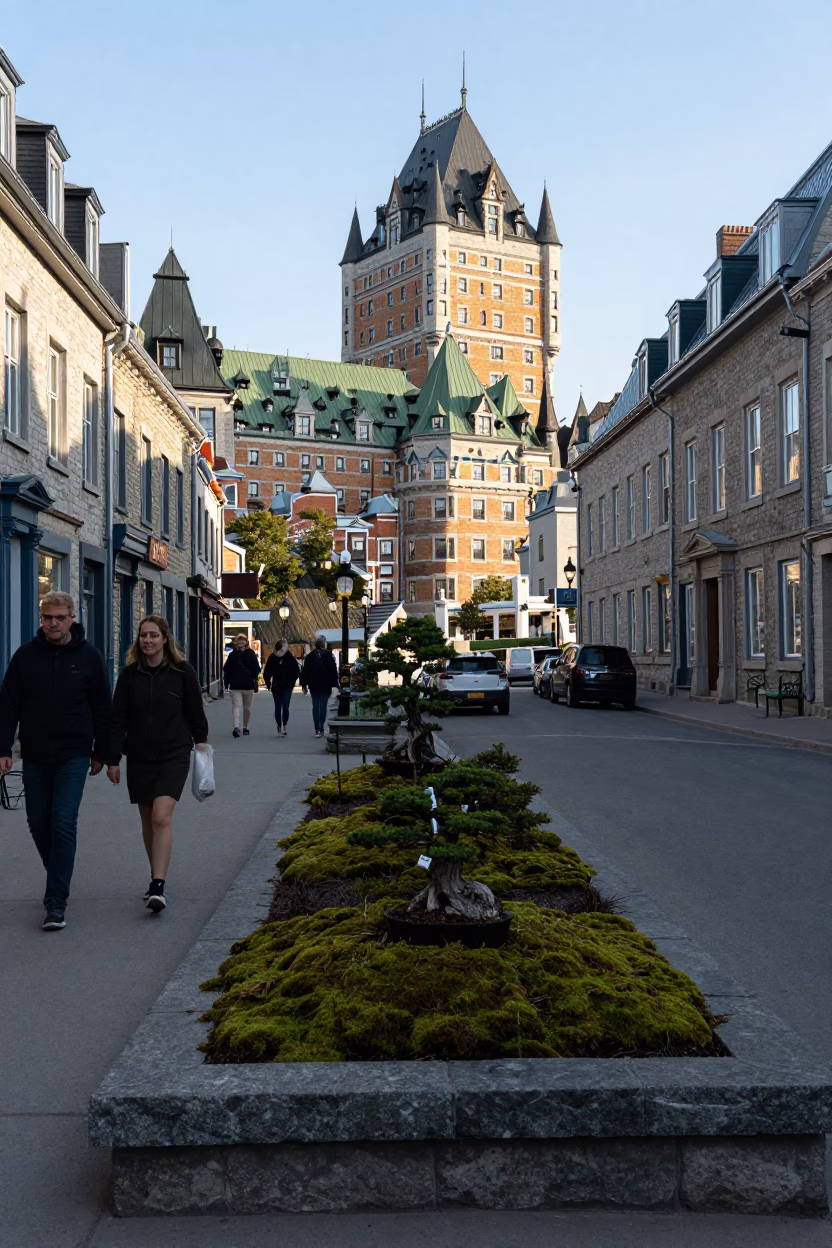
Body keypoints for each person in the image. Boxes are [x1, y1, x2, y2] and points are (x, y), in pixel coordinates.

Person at [0, 591, 112, 931]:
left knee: (62, 821)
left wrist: (102, 752)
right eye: (47, 617)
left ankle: (56, 900)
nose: (53, 623)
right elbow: (8, 706)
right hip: (34, 755)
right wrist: (4, 749)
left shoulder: (89, 657)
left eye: (60, 617)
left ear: (72, 618)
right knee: (38, 823)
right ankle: (59, 875)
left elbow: (103, 709)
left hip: (74, 754)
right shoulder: (25, 657)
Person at [108, 615, 209, 912]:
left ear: (165, 638)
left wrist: (202, 746)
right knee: (148, 819)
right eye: (143, 636)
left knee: (161, 816)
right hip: (138, 756)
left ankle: (158, 886)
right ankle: (156, 875)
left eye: (153, 635)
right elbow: (118, 720)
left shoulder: (182, 673)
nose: (148, 641)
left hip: (174, 754)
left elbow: (195, 714)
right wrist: (113, 758)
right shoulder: (128, 677)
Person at [299, 636, 339, 738]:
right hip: (325, 685)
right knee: (323, 706)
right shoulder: (328, 655)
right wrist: (335, 684)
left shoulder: (310, 656)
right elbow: (333, 671)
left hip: (314, 685)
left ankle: (317, 728)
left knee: (315, 706)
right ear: (324, 644)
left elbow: (305, 672)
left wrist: (304, 685)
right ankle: (321, 726)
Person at [223, 634, 261, 738]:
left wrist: (228, 681)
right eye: (239, 640)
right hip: (241, 686)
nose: (240, 642)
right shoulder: (243, 655)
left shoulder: (236, 655)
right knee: (241, 707)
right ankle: (239, 727)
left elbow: (226, 669)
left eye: (241, 640)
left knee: (243, 707)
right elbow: (257, 669)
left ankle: (242, 727)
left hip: (242, 685)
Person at [263, 641, 300, 737]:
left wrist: (292, 682)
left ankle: (284, 725)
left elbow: (297, 671)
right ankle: (279, 726)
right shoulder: (273, 657)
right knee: (278, 707)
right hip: (276, 686)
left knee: (286, 706)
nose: (285, 649)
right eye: (283, 647)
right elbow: (267, 672)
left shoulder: (289, 657)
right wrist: (268, 683)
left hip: (287, 686)